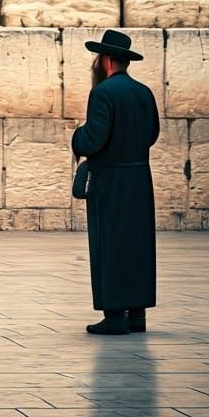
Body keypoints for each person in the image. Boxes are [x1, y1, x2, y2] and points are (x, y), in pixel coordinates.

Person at [72, 30, 160, 336]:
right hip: (139, 178)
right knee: (137, 245)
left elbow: (94, 139)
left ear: (106, 61)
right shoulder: (144, 92)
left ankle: (114, 315)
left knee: (110, 244)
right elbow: (152, 135)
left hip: (111, 181)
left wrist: (76, 137)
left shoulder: (103, 93)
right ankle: (137, 313)